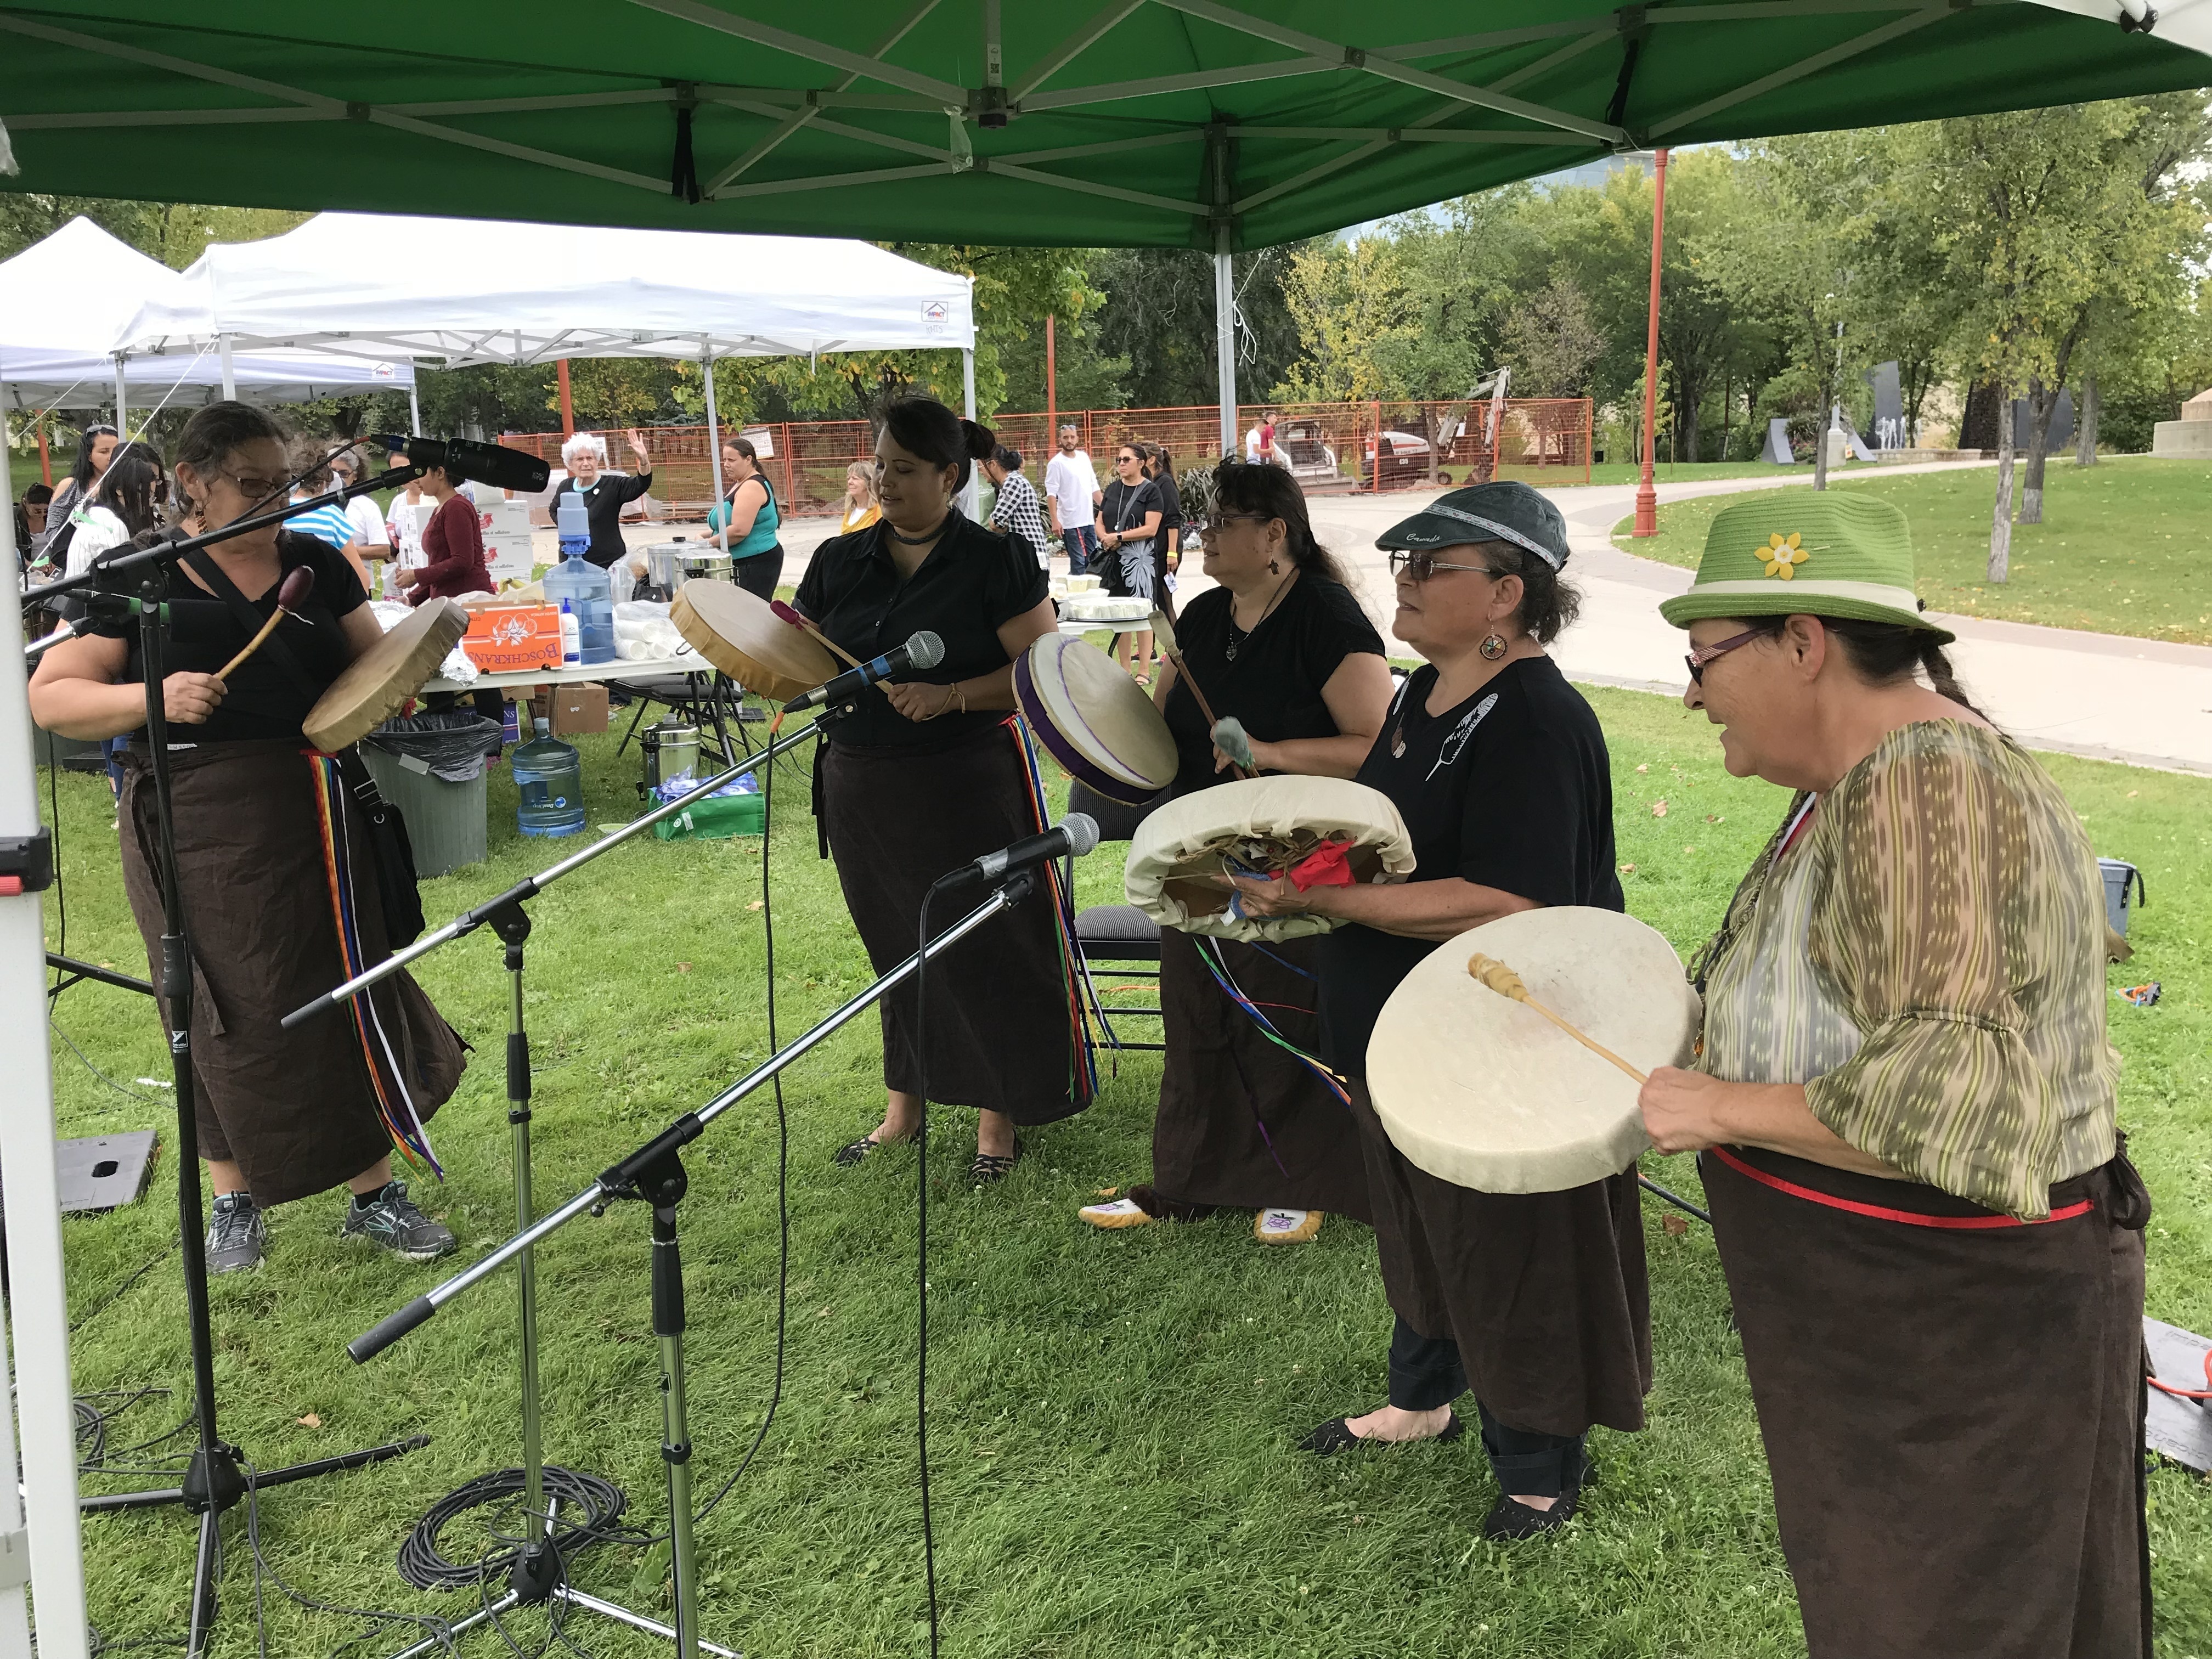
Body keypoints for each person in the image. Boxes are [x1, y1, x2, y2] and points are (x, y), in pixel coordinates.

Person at [1638, 493, 2148, 1656]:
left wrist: (1713, 1104)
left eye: (1704, 657)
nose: (1689, 689)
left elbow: (1950, 1091)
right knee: (1902, 1595)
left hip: (1951, 1320)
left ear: (1805, 642)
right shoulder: (1864, 782)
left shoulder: (1929, 785)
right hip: (1894, 1305)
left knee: (1954, 1612)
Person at [1231, 482, 1641, 1541]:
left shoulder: (1541, 721)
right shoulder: (1421, 694)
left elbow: (1512, 902)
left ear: (1506, 593)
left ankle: (1541, 1463)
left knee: (1505, 1243)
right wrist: (1284, 864)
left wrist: (1324, 899)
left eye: (1430, 566)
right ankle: (1419, 1398)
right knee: (1416, 1221)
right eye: (1402, 565)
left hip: (1498, 1040)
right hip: (1393, 1019)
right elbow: (1385, 833)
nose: (1402, 583)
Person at [27, 401, 466, 1276]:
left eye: (285, 483)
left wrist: (394, 692)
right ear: (192, 482)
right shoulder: (139, 573)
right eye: (253, 485)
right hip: (193, 821)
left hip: (311, 805)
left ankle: (373, 1194)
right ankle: (235, 1199)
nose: (276, 500)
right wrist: (152, 699)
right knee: (215, 1005)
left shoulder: (315, 563)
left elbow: (370, 667)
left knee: (341, 987)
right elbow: (53, 694)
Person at [1079, 460, 1393, 1244]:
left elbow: (1374, 746)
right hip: (1199, 845)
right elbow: (1158, 726)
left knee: (1281, 1006)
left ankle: (1303, 1179)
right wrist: (1101, 738)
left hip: (1300, 857)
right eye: (1206, 521)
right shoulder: (1203, 614)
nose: (1205, 535)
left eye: (1222, 522)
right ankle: (1189, 1179)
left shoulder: (1327, 617)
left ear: (1275, 533)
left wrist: (1268, 748)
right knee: (1198, 1010)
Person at [795, 398, 1088, 1182]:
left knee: (985, 945)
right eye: (880, 464)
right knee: (898, 944)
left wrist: (953, 695)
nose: (884, 481)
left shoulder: (996, 560)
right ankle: (905, 1107)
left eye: (904, 469)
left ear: (949, 476)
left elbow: (1041, 670)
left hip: (966, 785)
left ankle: (999, 1121)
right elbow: (808, 654)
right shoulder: (837, 559)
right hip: (862, 787)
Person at [1097, 442, 1162, 682]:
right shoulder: (1113, 489)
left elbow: (1152, 528)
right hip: (1114, 560)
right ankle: (1124, 669)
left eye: (1127, 460)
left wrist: (1119, 537)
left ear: (1141, 463)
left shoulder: (1151, 491)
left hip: (1140, 562)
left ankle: (1143, 670)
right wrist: (1105, 537)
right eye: (1119, 460)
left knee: (1143, 612)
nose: (1121, 464)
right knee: (1120, 613)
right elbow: (1100, 519)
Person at [551, 429, 654, 571]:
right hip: (571, 565)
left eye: (590, 458)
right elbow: (554, 510)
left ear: (597, 460)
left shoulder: (612, 485)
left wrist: (644, 461)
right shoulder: (566, 486)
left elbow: (641, 484)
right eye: (580, 459)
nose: (586, 463)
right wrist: (570, 529)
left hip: (608, 565)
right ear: (570, 463)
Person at [61, 441, 166, 579]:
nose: (151, 502)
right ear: (120, 490)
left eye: (152, 495)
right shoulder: (111, 526)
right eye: (146, 494)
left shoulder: (99, 514)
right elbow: (124, 580)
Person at [394, 456, 491, 603]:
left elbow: (461, 561)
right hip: (449, 603)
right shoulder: (440, 509)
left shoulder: (456, 508)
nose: (416, 480)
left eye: (421, 473)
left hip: (467, 602)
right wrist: (410, 599)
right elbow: (439, 570)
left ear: (440, 473)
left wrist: (416, 575)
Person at [285, 443, 379, 591]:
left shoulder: (274, 514)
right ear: (322, 484)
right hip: (325, 607)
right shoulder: (332, 516)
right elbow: (362, 582)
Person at [704, 436, 783, 600]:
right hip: (743, 562)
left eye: (732, 460)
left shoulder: (752, 486)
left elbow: (739, 530)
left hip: (754, 563)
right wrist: (704, 536)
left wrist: (704, 545)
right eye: (724, 460)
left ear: (748, 459)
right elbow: (726, 524)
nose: (726, 465)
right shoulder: (741, 482)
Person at [36, 421, 118, 563]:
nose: (111, 457)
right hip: (75, 561)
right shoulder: (70, 486)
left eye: (116, 451)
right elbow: (52, 531)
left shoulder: (124, 484)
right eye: (104, 451)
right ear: (89, 455)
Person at [1044, 424, 1102, 577]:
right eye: (1065, 437)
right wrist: (1055, 521)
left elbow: (1093, 485)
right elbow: (1051, 494)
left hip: (1088, 521)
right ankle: (1078, 596)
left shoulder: (1084, 458)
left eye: (1072, 437)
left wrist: (1106, 508)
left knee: (1093, 561)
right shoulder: (1056, 464)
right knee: (1079, 563)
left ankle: (1087, 593)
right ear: (1060, 440)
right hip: (1071, 523)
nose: (1069, 440)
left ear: (1077, 439)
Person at [329, 448, 393, 585]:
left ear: (355, 475)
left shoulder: (366, 506)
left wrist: (345, 550)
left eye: (343, 474)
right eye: (332, 473)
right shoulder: (316, 503)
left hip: (358, 584)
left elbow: (384, 550)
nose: (337, 479)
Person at [981, 444, 1051, 569]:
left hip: (1029, 556)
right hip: (1029, 554)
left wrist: (998, 526)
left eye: (981, 466)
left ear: (993, 464)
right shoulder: (1015, 480)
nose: (980, 471)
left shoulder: (1012, 482)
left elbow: (996, 521)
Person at [1143, 442, 1183, 631]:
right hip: (1155, 551)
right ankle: (1148, 648)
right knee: (1152, 600)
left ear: (1151, 460)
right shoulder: (1151, 484)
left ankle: (1177, 648)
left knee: (1164, 600)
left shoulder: (1165, 483)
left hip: (1167, 551)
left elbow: (1173, 519)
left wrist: (1172, 554)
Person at [383, 443, 428, 599]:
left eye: (404, 468)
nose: (401, 476)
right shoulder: (398, 502)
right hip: (408, 577)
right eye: (395, 471)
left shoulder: (435, 499)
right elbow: (392, 540)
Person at [839, 459, 881, 534]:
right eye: (848, 478)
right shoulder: (849, 511)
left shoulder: (879, 512)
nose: (850, 482)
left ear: (869, 483)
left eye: (855, 478)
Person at [16, 481, 53, 557]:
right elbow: (13, 552)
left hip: (53, 565)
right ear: (25, 503)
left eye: (46, 511)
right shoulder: (15, 520)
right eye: (37, 511)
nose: (42, 514)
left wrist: (55, 562)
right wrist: (30, 566)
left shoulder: (53, 516)